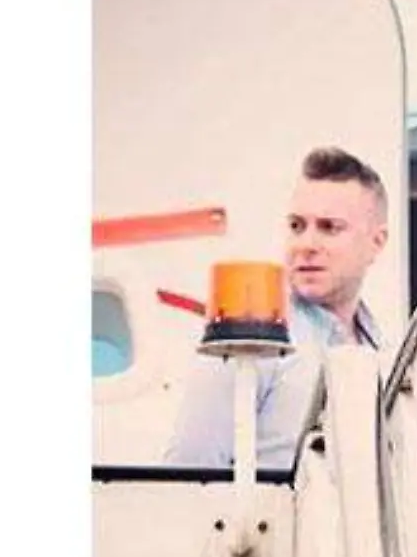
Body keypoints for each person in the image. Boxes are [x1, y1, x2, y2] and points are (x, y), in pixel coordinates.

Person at [165, 146, 388, 468]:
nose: (306, 245)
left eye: (329, 227)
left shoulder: (379, 347)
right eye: (297, 226)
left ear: (376, 243)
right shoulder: (252, 334)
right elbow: (190, 474)